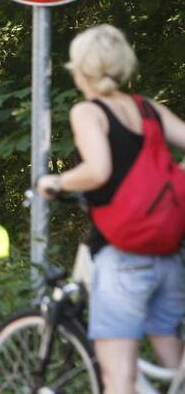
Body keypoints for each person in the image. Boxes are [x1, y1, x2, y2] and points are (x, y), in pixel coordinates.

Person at [37, 24, 185, 394]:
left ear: (82, 68)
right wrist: (174, 181)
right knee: (176, 367)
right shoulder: (149, 109)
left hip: (124, 255)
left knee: (117, 378)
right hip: (168, 254)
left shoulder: (89, 112)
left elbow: (98, 169)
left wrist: (54, 182)